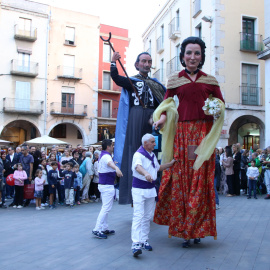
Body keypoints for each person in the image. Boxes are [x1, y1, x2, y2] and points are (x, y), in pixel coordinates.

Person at [153, 36, 225, 247]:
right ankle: (185, 228)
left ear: (201, 57)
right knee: (183, 180)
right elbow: (167, 105)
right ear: (182, 56)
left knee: (200, 180)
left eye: (197, 53)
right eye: (189, 53)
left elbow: (221, 104)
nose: (193, 57)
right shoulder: (175, 80)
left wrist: (216, 108)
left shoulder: (210, 80)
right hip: (182, 135)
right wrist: (161, 120)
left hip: (203, 134)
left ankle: (196, 228)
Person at [111, 51, 166, 204]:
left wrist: (160, 117)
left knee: (153, 153)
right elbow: (116, 78)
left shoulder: (157, 84)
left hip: (151, 119)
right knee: (135, 151)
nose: (147, 64)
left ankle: (153, 192)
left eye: (149, 61)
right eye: (143, 61)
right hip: (136, 117)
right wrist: (113, 63)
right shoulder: (132, 80)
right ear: (137, 64)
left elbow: (163, 103)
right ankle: (133, 196)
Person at [131, 134, 175, 257]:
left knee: (147, 216)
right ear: (145, 143)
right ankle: (135, 243)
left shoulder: (152, 155)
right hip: (139, 189)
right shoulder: (138, 154)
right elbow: (138, 167)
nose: (155, 144)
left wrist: (170, 164)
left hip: (150, 189)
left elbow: (157, 168)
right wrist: (145, 173)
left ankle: (144, 240)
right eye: (152, 142)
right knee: (138, 215)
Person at [92, 139, 123, 239]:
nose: (113, 147)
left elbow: (109, 164)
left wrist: (114, 165)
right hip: (106, 185)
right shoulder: (106, 156)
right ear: (108, 147)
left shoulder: (103, 155)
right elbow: (110, 163)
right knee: (106, 208)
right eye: (112, 145)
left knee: (105, 207)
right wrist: (116, 168)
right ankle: (97, 229)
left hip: (104, 185)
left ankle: (104, 227)